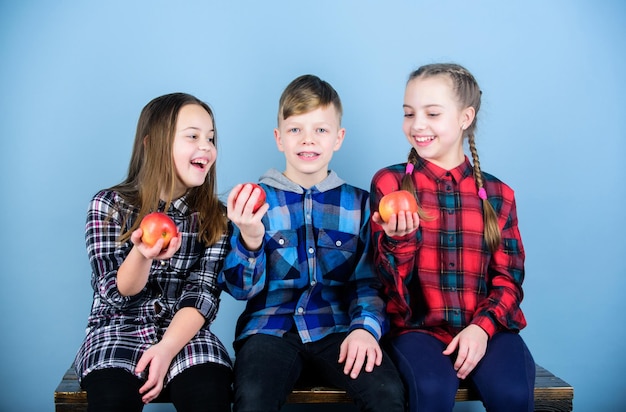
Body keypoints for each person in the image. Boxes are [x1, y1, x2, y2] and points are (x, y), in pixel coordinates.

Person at [218, 74, 405, 412]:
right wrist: (250, 237)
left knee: (387, 392)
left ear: (338, 138)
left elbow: (367, 282)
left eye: (320, 130)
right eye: (295, 130)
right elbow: (240, 289)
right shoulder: (255, 202)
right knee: (253, 396)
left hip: (338, 328)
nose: (308, 140)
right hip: (269, 328)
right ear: (279, 138)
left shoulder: (359, 204)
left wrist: (365, 329)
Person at [369, 63, 535, 412]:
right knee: (428, 390)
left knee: (513, 396)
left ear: (465, 117)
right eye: (409, 113)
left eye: (432, 113)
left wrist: (482, 328)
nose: (417, 125)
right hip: (418, 330)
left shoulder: (498, 194)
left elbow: (509, 280)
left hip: (489, 329)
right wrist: (398, 242)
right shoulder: (389, 184)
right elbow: (385, 284)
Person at [74, 93, 233, 412]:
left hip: (185, 334)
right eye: (192, 136)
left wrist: (166, 349)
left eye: (211, 138)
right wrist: (142, 254)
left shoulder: (218, 218)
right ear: (152, 143)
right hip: (117, 331)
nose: (206, 147)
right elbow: (114, 292)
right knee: (111, 400)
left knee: (209, 394)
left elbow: (202, 294)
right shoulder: (108, 206)